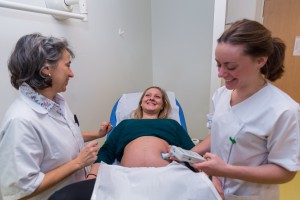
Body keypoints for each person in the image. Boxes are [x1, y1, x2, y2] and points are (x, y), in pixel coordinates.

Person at [190, 19, 300, 200]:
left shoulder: (284, 111)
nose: (220, 73)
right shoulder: (221, 95)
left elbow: (285, 171)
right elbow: (219, 133)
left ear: (260, 61)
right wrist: (190, 154)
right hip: (215, 189)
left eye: (230, 66)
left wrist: (226, 170)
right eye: (218, 64)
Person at [0, 33, 112, 200]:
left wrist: (97, 134)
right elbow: (20, 191)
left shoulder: (56, 101)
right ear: (46, 70)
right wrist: (79, 163)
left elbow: (59, 140)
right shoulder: (20, 121)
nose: (71, 73)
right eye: (67, 65)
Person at [49, 86, 197, 200]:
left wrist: (201, 174)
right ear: (141, 102)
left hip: (166, 177)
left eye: (157, 97)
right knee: (62, 197)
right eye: (148, 95)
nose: (152, 98)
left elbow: (192, 151)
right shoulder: (126, 124)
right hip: (126, 178)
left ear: (163, 105)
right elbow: (107, 151)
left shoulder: (171, 124)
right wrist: (93, 176)